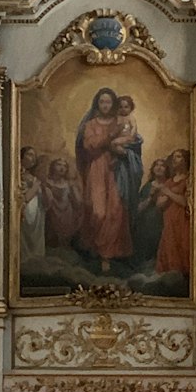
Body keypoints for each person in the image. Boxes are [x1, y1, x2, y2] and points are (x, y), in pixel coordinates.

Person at [75, 87, 132, 272]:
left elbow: (131, 141)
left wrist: (123, 150)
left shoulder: (120, 121)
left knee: (115, 211)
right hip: (97, 168)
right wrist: (110, 137)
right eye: (102, 102)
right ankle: (97, 250)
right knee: (98, 211)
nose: (105, 105)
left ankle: (108, 255)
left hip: (116, 170)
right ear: (97, 104)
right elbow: (89, 146)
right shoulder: (90, 125)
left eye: (108, 102)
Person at [155, 148, 192, 276]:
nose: (175, 160)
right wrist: (164, 196)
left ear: (185, 160)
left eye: (179, 156)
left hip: (182, 220)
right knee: (169, 248)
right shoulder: (169, 181)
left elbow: (185, 202)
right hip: (169, 220)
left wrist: (168, 193)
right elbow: (159, 204)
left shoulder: (189, 179)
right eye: (174, 157)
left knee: (183, 247)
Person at [110, 93, 143, 232]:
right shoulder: (116, 119)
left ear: (131, 108)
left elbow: (133, 135)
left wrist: (122, 141)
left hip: (128, 148)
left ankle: (128, 225)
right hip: (117, 160)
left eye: (126, 106)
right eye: (121, 106)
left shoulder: (131, 118)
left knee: (127, 191)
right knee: (116, 192)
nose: (124, 109)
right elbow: (112, 134)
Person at [133, 157, 169, 266]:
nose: (159, 168)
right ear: (153, 169)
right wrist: (150, 197)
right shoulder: (148, 186)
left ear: (166, 169)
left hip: (163, 219)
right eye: (156, 165)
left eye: (162, 165)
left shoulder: (169, 184)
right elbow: (138, 208)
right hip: (146, 222)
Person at [42, 157, 82, 248]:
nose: (62, 168)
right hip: (53, 213)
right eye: (59, 164)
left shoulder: (69, 183)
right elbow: (46, 202)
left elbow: (78, 202)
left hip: (67, 214)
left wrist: (73, 189)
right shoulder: (47, 183)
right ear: (53, 167)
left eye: (64, 166)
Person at [19, 146, 46, 261]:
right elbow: (22, 196)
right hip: (25, 208)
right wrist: (34, 188)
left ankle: (36, 256)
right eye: (29, 154)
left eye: (34, 155)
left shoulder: (32, 177)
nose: (33, 158)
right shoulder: (17, 174)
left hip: (36, 212)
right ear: (21, 157)